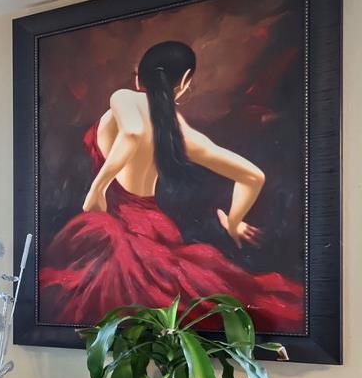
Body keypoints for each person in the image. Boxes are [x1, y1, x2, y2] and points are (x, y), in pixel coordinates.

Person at [40, 39, 303, 331]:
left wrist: (97, 188)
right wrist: (234, 221)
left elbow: (133, 131)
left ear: (140, 73)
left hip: (117, 229)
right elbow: (253, 176)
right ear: (185, 81)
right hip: (154, 229)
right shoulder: (181, 132)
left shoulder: (125, 98)